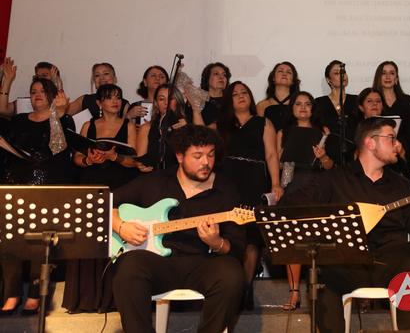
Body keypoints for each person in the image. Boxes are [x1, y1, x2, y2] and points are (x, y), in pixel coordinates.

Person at [284, 117, 410, 332]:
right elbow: (293, 206)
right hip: (347, 263)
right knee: (321, 277)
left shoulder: (401, 184)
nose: (397, 144)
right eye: (391, 138)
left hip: (393, 260)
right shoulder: (335, 179)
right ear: (370, 142)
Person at [111, 124, 246, 333]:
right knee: (129, 267)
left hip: (204, 263)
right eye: (198, 156)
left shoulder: (226, 190)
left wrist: (217, 243)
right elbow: (105, 203)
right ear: (180, 156)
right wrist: (121, 226)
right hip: (160, 264)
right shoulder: (155, 181)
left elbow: (237, 247)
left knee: (232, 275)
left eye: (211, 155)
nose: (206, 162)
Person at [0, 77, 74, 316]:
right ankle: (11, 293)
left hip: (46, 189)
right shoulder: (19, 120)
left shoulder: (62, 118)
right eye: (33, 91)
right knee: (9, 240)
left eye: (43, 91)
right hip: (15, 186)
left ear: (52, 96)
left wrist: (56, 114)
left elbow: (58, 147)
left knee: (39, 243)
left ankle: (34, 294)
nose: (37, 95)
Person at [64, 83, 138, 313]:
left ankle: (112, 297)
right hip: (92, 181)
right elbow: (77, 157)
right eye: (109, 97)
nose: (115, 101)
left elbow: (134, 161)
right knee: (89, 238)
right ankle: (86, 298)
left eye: (118, 97)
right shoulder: (88, 125)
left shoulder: (129, 125)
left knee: (115, 238)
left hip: (120, 185)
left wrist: (115, 157)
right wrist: (89, 160)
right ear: (99, 103)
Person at [218, 81, 282, 309]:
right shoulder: (221, 125)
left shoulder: (263, 122)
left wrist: (276, 184)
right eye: (235, 94)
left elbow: (272, 155)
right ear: (229, 100)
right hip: (227, 182)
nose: (241, 96)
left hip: (254, 181)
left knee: (252, 238)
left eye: (244, 92)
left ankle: (245, 289)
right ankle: (231, 289)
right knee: (229, 234)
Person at [276, 91, 332, 311]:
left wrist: (323, 156)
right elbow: (279, 163)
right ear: (291, 108)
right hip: (293, 187)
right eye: (298, 104)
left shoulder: (323, 131)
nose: (303, 107)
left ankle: (324, 292)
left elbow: (330, 166)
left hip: (319, 187)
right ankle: (294, 292)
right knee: (292, 241)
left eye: (307, 104)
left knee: (320, 243)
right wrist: (279, 187)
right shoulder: (283, 132)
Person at [313, 60, 358, 166]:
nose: (342, 75)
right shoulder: (319, 102)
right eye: (337, 73)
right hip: (327, 157)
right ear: (328, 80)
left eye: (343, 72)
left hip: (354, 156)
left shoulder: (356, 100)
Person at [136, 84, 188, 171]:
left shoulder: (187, 125)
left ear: (178, 101)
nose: (166, 103)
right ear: (156, 103)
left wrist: (188, 128)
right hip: (155, 175)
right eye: (161, 99)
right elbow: (140, 161)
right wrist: (141, 165)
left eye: (171, 98)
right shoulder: (147, 128)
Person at [372, 61, 410, 163]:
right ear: (378, 77)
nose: (388, 77)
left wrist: (402, 149)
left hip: (402, 153)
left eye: (392, 73)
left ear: (396, 78)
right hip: (378, 154)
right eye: (384, 73)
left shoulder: (407, 100)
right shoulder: (373, 100)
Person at [256, 62, 300, 132]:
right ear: (273, 78)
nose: (284, 74)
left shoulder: (299, 104)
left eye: (289, 72)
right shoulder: (261, 105)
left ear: (293, 81)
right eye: (280, 71)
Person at [199, 62, 231, 126]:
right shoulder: (197, 99)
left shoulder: (231, 100)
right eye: (216, 74)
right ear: (207, 78)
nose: (221, 77)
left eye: (224, 75)